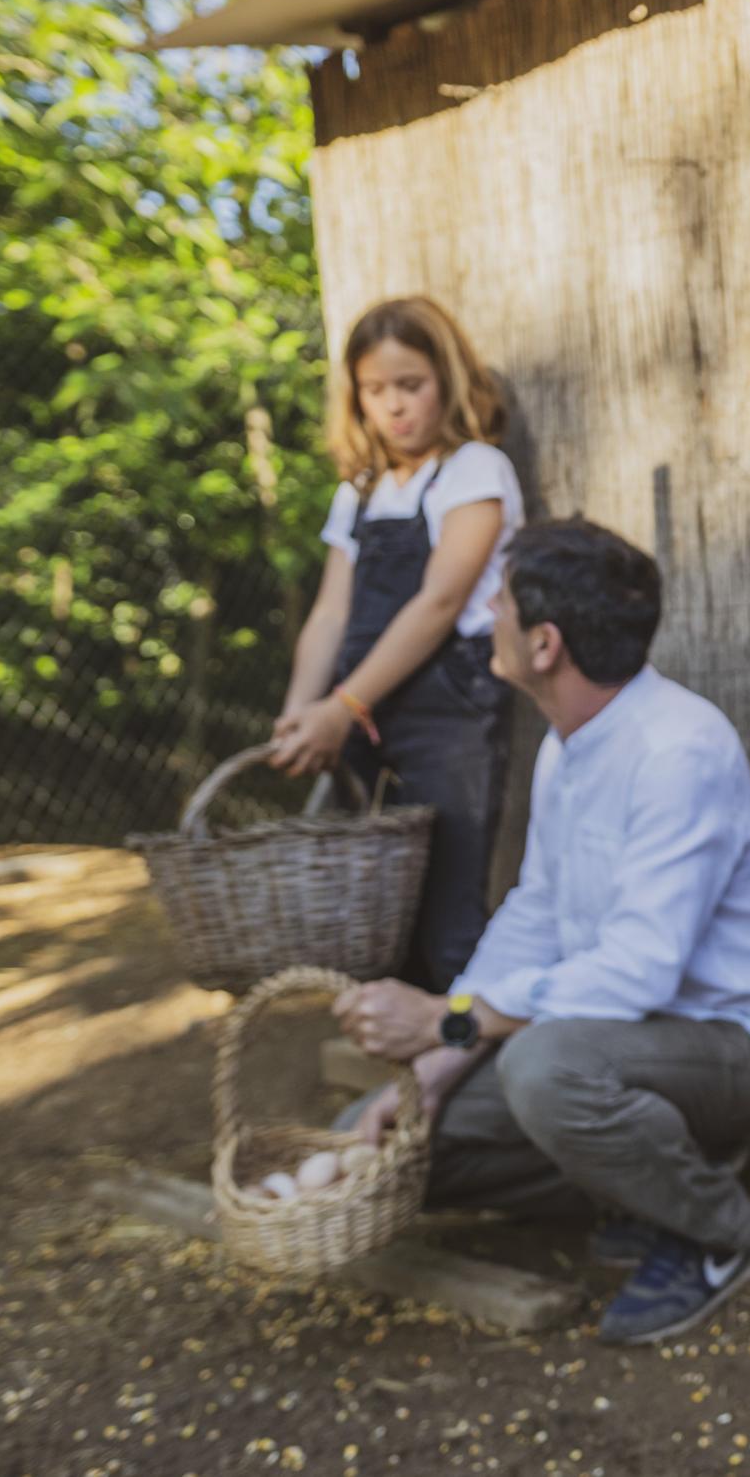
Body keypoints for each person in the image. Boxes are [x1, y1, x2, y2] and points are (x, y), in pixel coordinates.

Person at [332, 517, 750, 1347]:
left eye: (505, 598)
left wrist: (447, 1018)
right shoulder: (568, 743)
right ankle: (636, 1187)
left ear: (545, 643)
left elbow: (639, 974)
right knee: (372, 1140)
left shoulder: (679, 750)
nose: (490, 607)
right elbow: (536, 915)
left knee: (544, 1067)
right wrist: (431, 1072)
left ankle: (714, 1229)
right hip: (613, 1044)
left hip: (733, 1043)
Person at [272, 296, 523, 992]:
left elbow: (440, 602)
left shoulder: (474, 471)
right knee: (378, 912)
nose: (394, 407)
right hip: (361, 715)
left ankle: (465, 1067)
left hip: (449, 711)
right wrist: (303, 710)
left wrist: (343, 705)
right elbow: (330, 611)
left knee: (448, 902)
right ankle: (401, 1077)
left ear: (447, 378)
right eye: (375, 390)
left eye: (410, 385)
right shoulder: (359, 491)